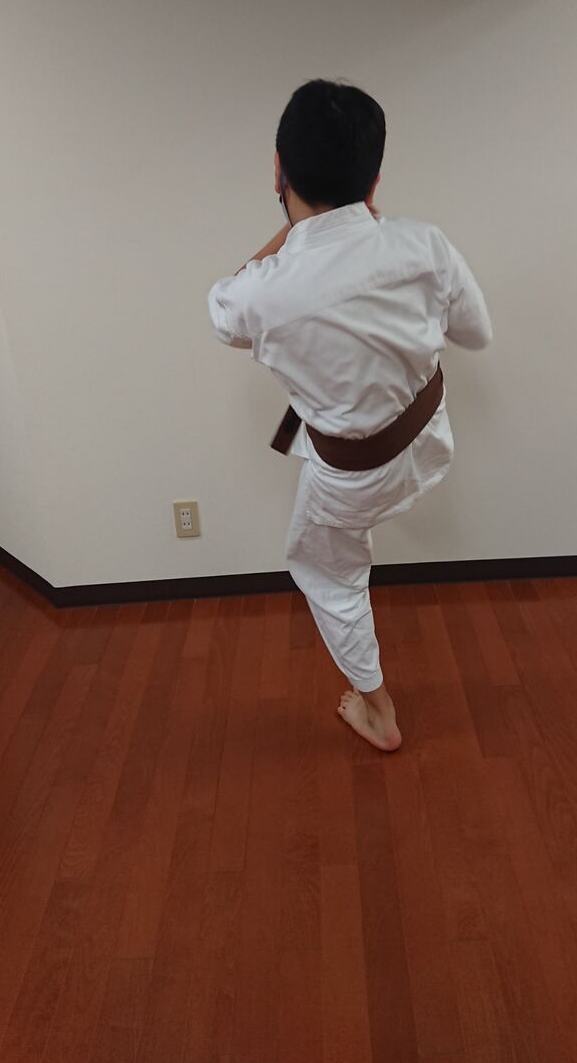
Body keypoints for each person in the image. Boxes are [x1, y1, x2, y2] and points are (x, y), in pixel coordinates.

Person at [208, 79, 492, 751]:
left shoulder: (261, 294)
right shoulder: (424, 244)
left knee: (326, 572)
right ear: (375, 180)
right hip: (428, 441)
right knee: (342, 529)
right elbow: (476, 335)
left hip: (352, 478)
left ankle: (379, 712)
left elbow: (223, 314)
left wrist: (295, 228)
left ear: (278, 170)